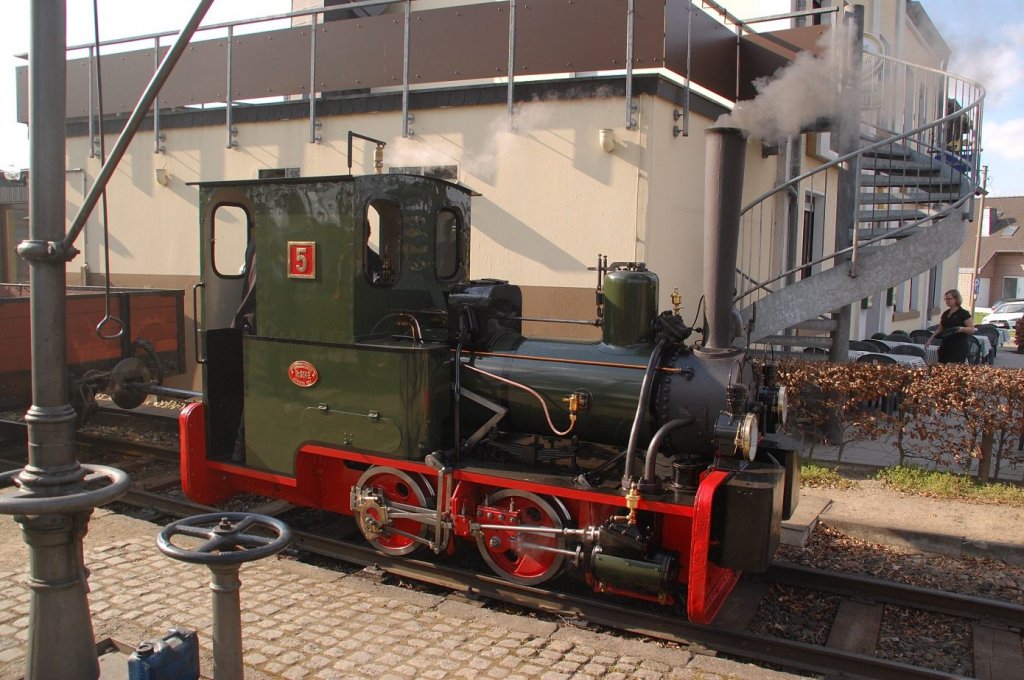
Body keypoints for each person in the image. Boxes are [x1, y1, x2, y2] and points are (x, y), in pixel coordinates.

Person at [925, 289, 976, 363]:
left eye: (949, 299)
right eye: (946, 299)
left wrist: (962, 329)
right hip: (945, 345)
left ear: (956, 299)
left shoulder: (963, 313)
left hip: (958, 346)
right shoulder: (945, 313)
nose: (947, 301)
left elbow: (972, 329)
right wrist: (930, 340)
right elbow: (940, 329)